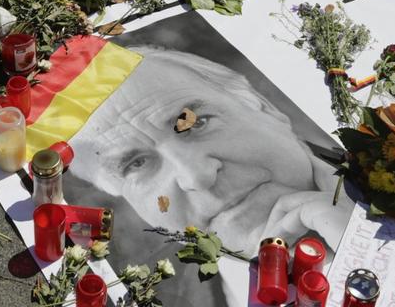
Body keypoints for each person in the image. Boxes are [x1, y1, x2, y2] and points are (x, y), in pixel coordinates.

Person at [66, 45, 353, 306]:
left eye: (197, 122)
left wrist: (375, 246)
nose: (197, 176)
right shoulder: (159, 297)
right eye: (137, 164)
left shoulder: (390, 163)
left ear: (263, 106)